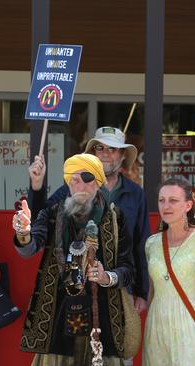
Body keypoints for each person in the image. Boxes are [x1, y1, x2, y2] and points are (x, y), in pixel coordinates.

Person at [13, 153, 135, 366]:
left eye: (85, 177)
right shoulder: (53, 213)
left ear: (98, 182)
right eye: (72, 179)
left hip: (103, 319)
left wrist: (107, 277)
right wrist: (23, 233)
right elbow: (30, 248)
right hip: (58, 319)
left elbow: (128, 270)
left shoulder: (116, 218)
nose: (78, 184)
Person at [28, 126, 150, 313]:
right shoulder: (74, 187)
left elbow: (140, 244)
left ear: (123, 155)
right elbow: (41, 220)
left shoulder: (136, 194)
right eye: (99, 148)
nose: (105, 154)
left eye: (112, 149)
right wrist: (37, 188)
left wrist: (142, 291)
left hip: (119, 288)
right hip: (75, 291)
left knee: (114, 342)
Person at [142, 177, 195, 365]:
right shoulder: (152, 243)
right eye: (161, 200)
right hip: (157, 323)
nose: (166, 206)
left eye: (173, 200)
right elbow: (152, 291)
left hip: (188, 321)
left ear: (188, 205)